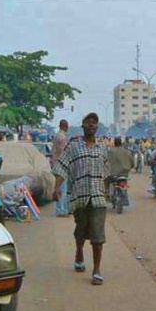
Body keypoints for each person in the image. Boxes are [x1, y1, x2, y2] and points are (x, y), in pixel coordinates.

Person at [52, 112, 110, 286]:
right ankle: (79, 252)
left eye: (95, 123)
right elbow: (62, 166)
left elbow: (106, 173)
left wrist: (107, 192)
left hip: (98, 199)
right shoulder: (73, 147)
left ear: (97, 127)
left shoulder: (102, 149)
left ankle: (97, 270)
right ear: (83, 125)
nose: (92, 125)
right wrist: (57, 188)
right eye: (89, 122)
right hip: (80, 197)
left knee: (98, 236)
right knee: (81, 231)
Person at [51, 119, 71, 217]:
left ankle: (62, 209)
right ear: (65, 126)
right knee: (62, 188)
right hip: (61, 165)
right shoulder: (62, 137)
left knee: (60, 187)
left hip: (56, 163)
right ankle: (61, 210)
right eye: (67, 126)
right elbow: (63, 152)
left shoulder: (57, 135)